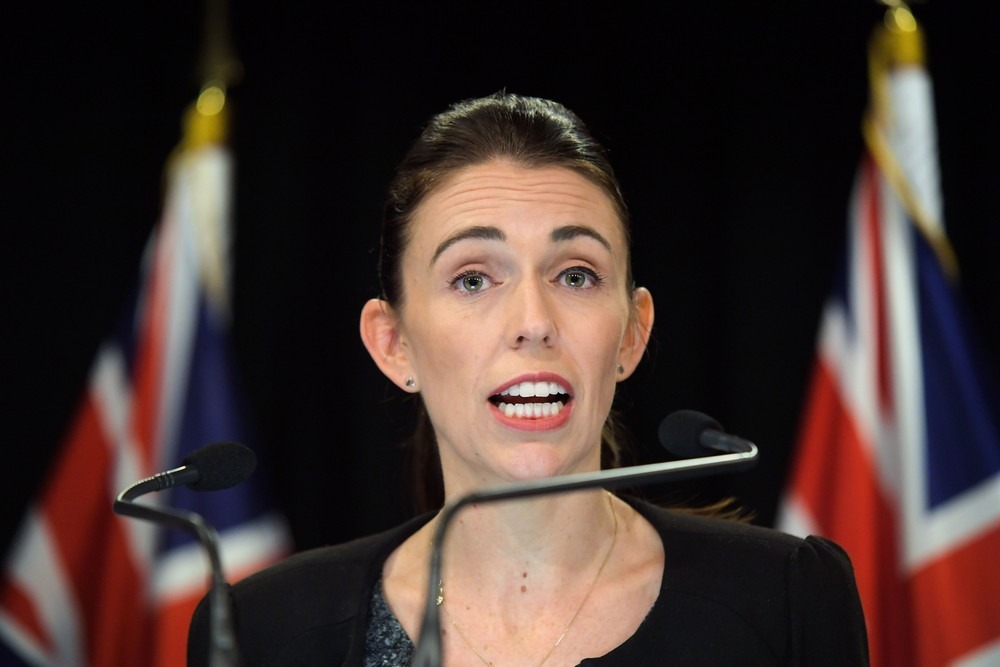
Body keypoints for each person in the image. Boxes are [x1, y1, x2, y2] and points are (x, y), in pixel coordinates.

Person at [188, 92, 869, 666]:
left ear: (632, 333)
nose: (534, 322)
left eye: (576, 275)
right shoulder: (262, 630)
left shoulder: (786, 598)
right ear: (394, 344)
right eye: (473, 279)